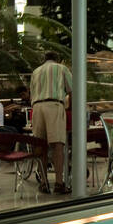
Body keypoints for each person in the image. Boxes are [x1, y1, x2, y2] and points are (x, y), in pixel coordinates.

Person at [29, 50, 72, 195]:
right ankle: (59, 183)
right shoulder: (61, 68)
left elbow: (32, 93)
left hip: (37, 107)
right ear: (57, 59)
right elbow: (72, 90)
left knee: (40, 145)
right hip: (54, 105)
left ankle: (43, 182)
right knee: (57, 145)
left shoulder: (36, 71)